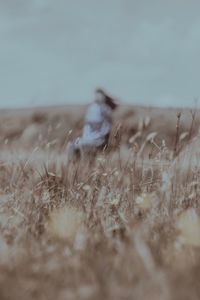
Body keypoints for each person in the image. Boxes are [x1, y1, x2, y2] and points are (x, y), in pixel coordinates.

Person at [67, 88, 118, 160]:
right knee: (72, 146)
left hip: (97, 141)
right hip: (89, 139)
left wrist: (103, 140)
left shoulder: (105, 110)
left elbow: (106, 130)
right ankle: (74, 167)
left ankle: (74, 167)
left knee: (74, 147)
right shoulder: (92, 108)